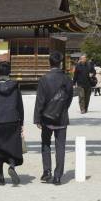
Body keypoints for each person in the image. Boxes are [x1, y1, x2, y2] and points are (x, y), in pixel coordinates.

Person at [34, 51, 73, 185]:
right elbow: (69, 98)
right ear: (60, 63)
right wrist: (62, 109)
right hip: (61, 117)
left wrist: (37, 118)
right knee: (60, 146)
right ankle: (58, 176)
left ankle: (47, 171)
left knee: (45, 144)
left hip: (46, 117)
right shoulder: (67, 78)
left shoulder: (44, 78)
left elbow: (40, 100)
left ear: (49, 63)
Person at [0, 61, 23, 185]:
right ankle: (11, 166)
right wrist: (21, 122)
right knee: (12, 146)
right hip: (12, 120)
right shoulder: (15, 86)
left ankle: (1, 177)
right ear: (9, 72)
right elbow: (19, 105)